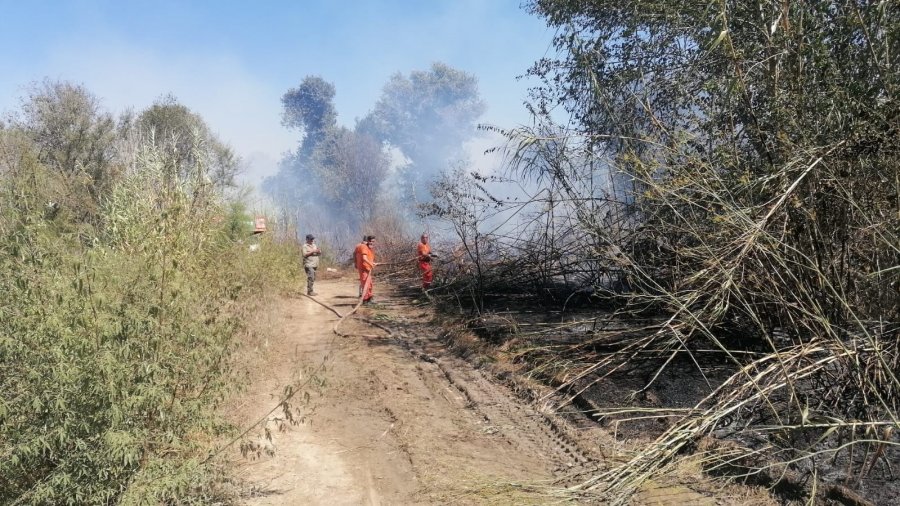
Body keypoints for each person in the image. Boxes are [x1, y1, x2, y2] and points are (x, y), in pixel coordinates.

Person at [354, 235, 377, 304]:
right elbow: (364, 258)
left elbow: (369, 258)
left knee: (369, 284)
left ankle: (369, 298)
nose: (373, 243)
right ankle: (365, 300)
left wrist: (373, 263)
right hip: (363, 268)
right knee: (365, 284)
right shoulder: (363, 247)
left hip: (367, 268)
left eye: (374, 242)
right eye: (372, 241)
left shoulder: (369, 248)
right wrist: (371, 264)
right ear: (368, 241)